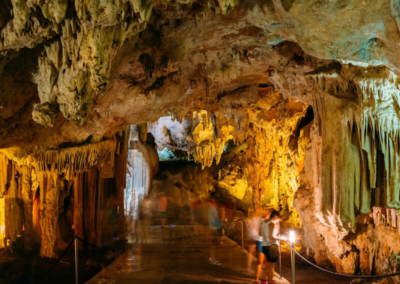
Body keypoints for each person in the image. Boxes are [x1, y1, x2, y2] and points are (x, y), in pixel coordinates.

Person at [260, 210, 287, 284]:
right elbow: (271, 237)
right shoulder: (271, 224)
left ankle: (263, 281)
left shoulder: (262, 222)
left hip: (264, 246)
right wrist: (281, 238)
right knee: (271, 267)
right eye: (278, 218)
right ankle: (269, 282)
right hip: (272, 247)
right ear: (275, 216)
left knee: (267, 265)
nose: (278, 220)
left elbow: (260, 233)